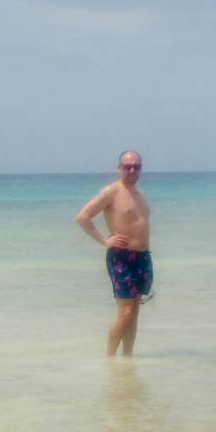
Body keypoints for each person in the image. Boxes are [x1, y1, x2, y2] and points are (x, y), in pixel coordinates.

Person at [75, 150, 153, 356]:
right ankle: (109, 359)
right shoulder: (111, 191)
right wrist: (104, 241)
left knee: (134, 313)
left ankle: (127, 358)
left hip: (143, 258)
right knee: (125, 313)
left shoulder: (140, 194)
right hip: (122, 258)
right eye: (128, 166)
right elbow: (83, 217)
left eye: (136, 166)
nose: (132, 170)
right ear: (119, 168)